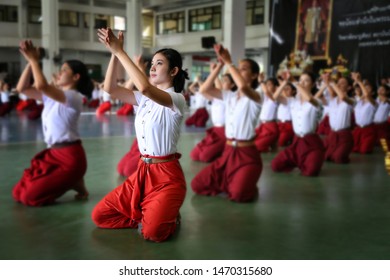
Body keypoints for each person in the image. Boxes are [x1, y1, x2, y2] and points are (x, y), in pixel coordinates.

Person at [91, 28, 188, 242]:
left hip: (167, 175)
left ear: (173, 71)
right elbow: (110, 89)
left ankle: (168, 216)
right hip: (143, 171)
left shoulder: (177, 99)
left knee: (154, 234)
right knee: (100, 216)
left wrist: (121, 51)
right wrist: (114, 54)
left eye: (159, 63)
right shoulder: (144, 99)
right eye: (152, 63)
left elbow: (144, 87)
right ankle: (151, 214)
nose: (153, 67)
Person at [12, 40, 92, 206]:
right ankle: (75, 183)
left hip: (70, 158)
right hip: (53, 154)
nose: (60, 73)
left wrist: (35, 60)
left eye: (64, 70)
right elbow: (22, 88)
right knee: (18, 192)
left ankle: (73, 180)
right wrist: (30, 62)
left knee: (29, 197)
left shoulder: (74, 97)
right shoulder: (52, 97)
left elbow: (41, 85)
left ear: (76, 77)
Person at [191, 44, 262, 202]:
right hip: (228, 151)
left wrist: (229, 62)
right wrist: (220, 66)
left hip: (247, 154)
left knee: (238, 195)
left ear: (255, 75)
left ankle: (246, 182)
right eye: (239, 67)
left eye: (244, 68)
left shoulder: (257, 96)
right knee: (197, 185)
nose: (239, 70)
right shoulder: (229, 96)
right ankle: (235, 182)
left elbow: (243, 87)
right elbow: (203, 90)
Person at [271, 71, 325, 176]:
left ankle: (310, 160)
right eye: (300, 80)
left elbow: (309, 98)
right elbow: (274, 97)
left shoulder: (317, 101)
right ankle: (299, 162)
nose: (302, 83)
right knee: (275, 165)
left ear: (313, 84)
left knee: (311, 171)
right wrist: (285, 82)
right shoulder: (292, 101)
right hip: (296, 142)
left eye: (306, 80)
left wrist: (294, 82)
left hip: (311, 142)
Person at [190, 64, 235, 162]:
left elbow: (217, 86)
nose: (222, 83)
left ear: (232, 85)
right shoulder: (216, 97)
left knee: (204, 157)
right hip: (215, 130)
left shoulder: (232, 96)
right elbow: (204, 91)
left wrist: (216, 70)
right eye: (222, 81)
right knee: (194, 155)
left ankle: (224, 150)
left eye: (226, 81)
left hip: (225, 132)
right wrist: (213, 71)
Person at [322, 74, 355, 163]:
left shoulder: (352, 100)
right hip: (332, 134)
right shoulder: (332, 100)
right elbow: (332, 93)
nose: (339, 85)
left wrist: (332, 83)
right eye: (338, 83)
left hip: (344, 135)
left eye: (343, 83)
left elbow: (343, 97)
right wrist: (326, 81)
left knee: (338, 158)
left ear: (349, 88)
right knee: (325, 156)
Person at [351, 73, 377, 154]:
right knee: (354, 149)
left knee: (364, 150)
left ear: (372, 93)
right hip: (358, 129)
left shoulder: (374, 103)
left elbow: (366, 95)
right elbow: (356, 90)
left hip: (368, 130)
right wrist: (356, 82)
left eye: (368, 88)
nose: (365, 89)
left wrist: (359, 81)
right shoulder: (358, 101)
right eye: (365, 88)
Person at [254, 77, 279, 152]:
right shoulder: (264, 97)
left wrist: (261, 81)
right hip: (262, 126)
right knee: (248, 142)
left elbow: (266, 92)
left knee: (256, 147)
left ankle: (269, 145)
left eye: (269, 85)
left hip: (270, 127)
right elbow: (263, 91)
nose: (267, 86)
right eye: (266, 84)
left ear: (275, 87)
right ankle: (271, 145)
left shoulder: (276, 97)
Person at [274, 80, 296, 146]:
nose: (285, 90)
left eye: (288, 89)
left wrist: (282, 85)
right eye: (284, 89)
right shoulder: (286, 99)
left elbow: (275, 97)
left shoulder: (290, 99)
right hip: (279, 124)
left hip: (287, 126)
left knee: (280, 143)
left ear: (293, 91)